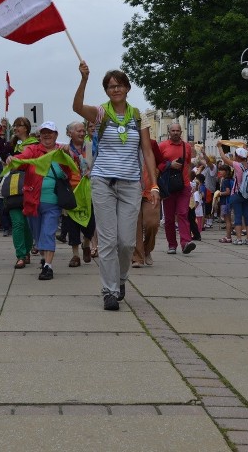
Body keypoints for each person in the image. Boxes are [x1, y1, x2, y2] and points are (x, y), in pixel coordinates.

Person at [73, 61, 159, 311]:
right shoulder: (100, 113)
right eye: (111, 86)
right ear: (106, 91)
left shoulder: (137, 115)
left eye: (119, 85)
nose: (115, 89)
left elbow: (147, 151)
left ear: (127, 88)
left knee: (127, 243)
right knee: (109, 241)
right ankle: (109, 291)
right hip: (103, 182)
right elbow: (77, 107)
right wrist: (84, 79)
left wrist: (153, 184)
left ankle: (121, 279)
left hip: (131, 183)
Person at [4, 121, 76, 281]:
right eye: (44, 132)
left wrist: (70, 153)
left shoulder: (61, 151)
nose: (47, 135)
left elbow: (75, 164)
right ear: (39, 135)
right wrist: (13, 159)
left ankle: (48, 267)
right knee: (38, 236)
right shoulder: (33, 149)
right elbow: (23, 157)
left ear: (56, 135)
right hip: (32, 201)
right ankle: (44, 258)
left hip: (53, 202)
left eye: (50, 132)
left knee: (48, 233)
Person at [158, 122, 195, 255]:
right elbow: (157, 165)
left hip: (183, 185)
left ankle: (185, 243)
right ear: (169, 132)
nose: (175, 132)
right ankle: (172, 245)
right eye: (172, 130)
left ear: (181, 132)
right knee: (168, 218)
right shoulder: (162, 146)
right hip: (168, 186)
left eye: (177, 130)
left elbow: (188, 164)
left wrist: (189, 182)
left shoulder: (187, 147)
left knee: (183, 213)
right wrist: (169, 164)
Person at [6, 116, 38, 269]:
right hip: (12, 188)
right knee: (17, 222)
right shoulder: (9, 145)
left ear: (26, 128)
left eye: (19, 125)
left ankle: (27, 251)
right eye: (14, 125)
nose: (15, 128)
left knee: (27, 223)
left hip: (30, 185)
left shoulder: (35, 145)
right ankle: (20, 254)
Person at [64, 121, 98, 266]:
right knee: (72, 223)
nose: (82, 133)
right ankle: (75, 255)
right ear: (70, 133)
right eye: (78, 130)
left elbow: (99, 162)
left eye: (83, 130)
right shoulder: (65, 150)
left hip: (89, 190)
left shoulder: (91, 146)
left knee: (90, 222)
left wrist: (93, 171)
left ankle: (86, 243)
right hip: (72, 190)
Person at [218, 146, 248, 245]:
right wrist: (246, 149)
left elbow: (223, 158)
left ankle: (239, 239)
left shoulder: (237, 165)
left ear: (237, 156)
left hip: (237, 194)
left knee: (238, 216)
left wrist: (219, 146)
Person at [216, 165, 234, 242]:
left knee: (227, 220)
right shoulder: (231, 179)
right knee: (228, 220)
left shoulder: (225, 180)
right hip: (230, 201)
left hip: (226, 201)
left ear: (226, 171)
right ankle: (228, 236)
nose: (220, 172)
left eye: (222, 170)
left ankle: (228, 237)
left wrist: (219, 193)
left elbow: (227, 192)